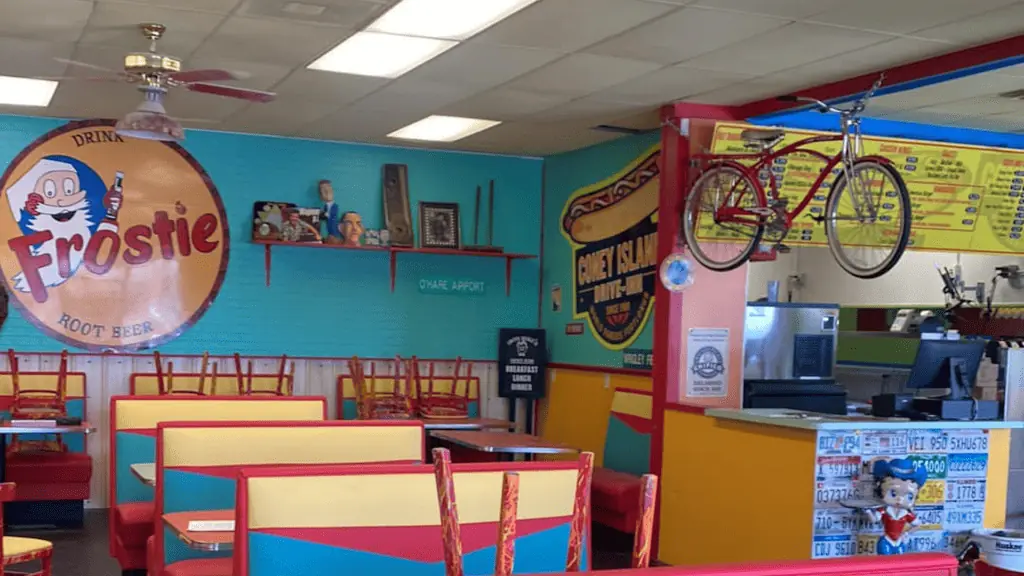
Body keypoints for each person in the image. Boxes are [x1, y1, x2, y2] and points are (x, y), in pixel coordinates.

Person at [865, 458, 928, 555]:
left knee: (900, 564)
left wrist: (906, 533)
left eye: (909, 496)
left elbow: (917, 525)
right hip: (886, 540)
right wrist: (868, 511)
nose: (900, 499)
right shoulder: (884, 510)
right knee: (885, 563)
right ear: (881, 490)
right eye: (893, 493)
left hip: (899, 541)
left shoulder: (906, 514)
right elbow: (874, 520)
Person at [319, 180, 342, 244]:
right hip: (328, 226)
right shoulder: (325, 206)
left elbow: (332, 214)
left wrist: (324, 214)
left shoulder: (335, 206)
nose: (325, 194)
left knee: (333, 234)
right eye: (322, 192)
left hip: (333, 225)